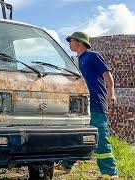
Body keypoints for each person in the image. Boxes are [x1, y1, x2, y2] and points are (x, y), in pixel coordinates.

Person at [59, 32, 119, 178]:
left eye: (71, 41)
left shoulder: (92, 56)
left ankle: (110, 173)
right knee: (76, 135)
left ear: (79, 42)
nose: (69, 43)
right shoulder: (75, 61)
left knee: (101, 137)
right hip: (79, 105)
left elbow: (107, 74)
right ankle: (66, 165)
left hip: (96, 103)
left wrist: (111, 92)